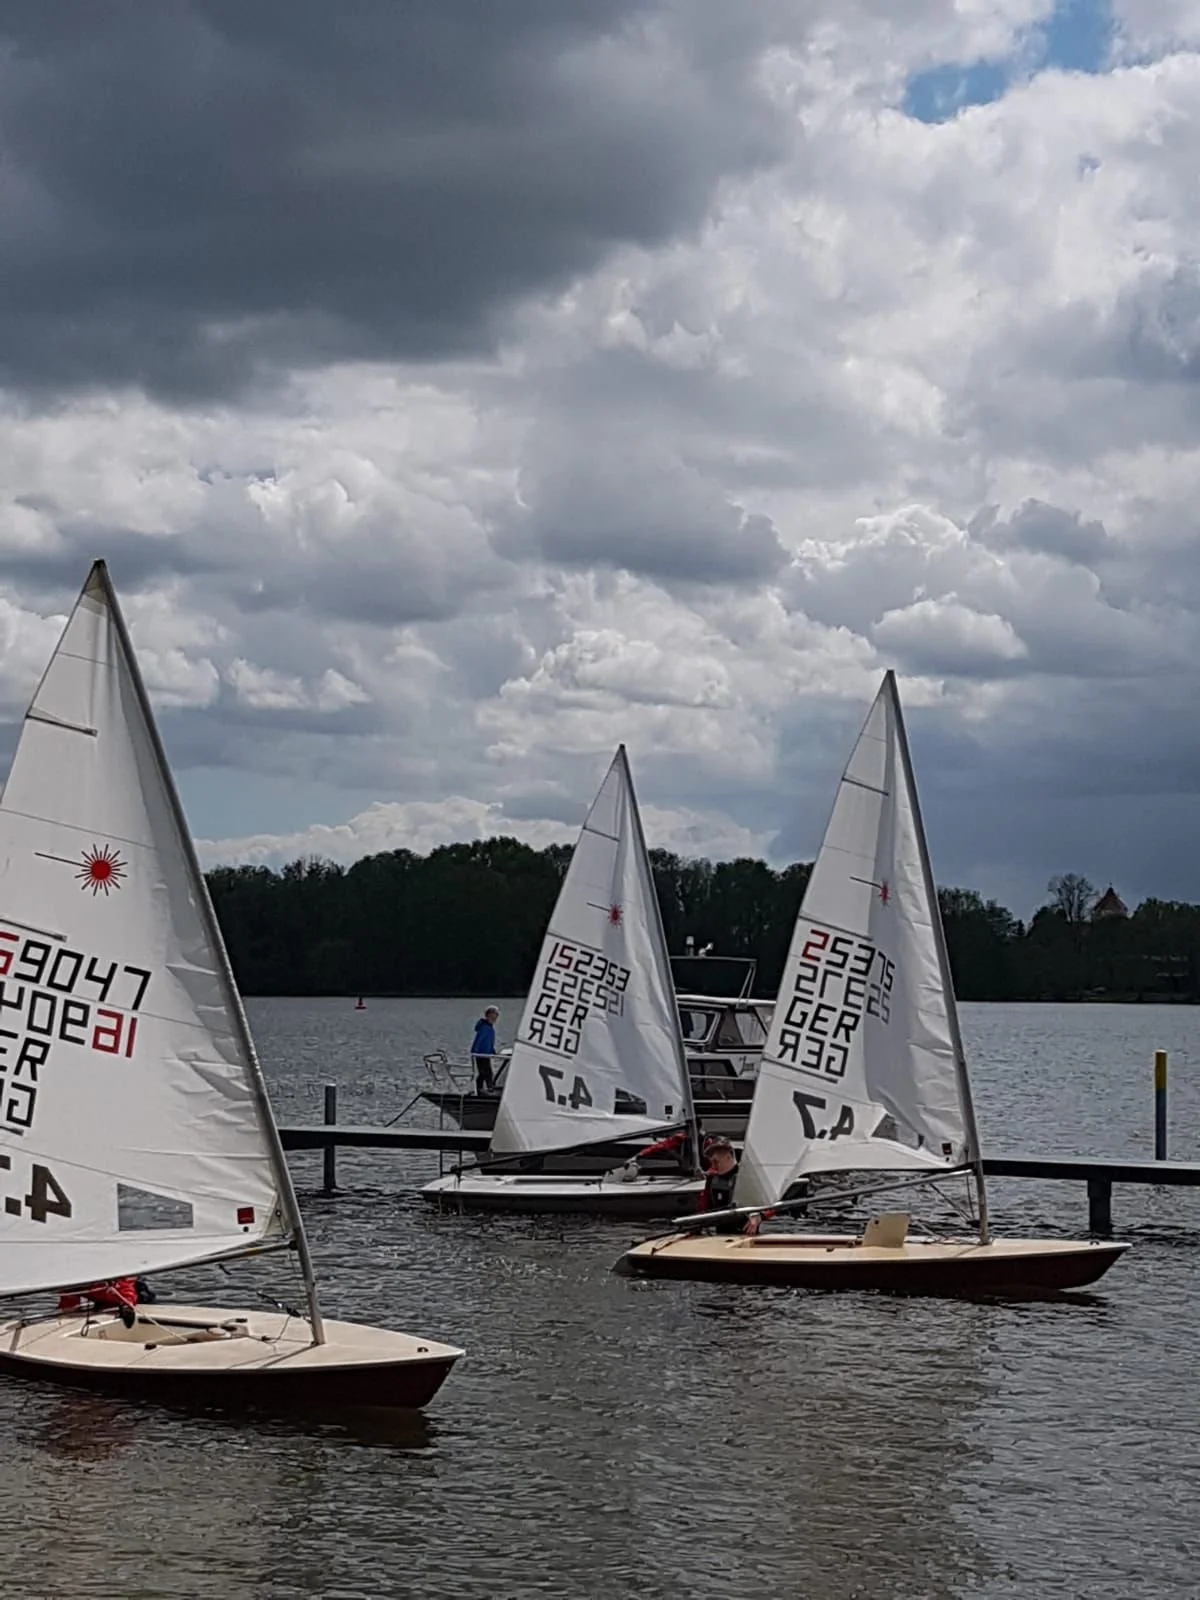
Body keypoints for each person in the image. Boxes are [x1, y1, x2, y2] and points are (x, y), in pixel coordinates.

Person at [471, 1006, 500, 1093]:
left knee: (487, 1072)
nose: (494, 1019)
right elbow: (478, 1040)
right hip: (480, 1054)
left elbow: (488, 1042)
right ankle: (484, 1089)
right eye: (492, 1017)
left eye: (495, 1017)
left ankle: (488, 1088)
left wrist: (492, 1051)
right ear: (487, 1016)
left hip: (486, 1054)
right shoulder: (484, 1028)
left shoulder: (490, 1028)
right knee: (485, 1073)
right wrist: (474, 1052)